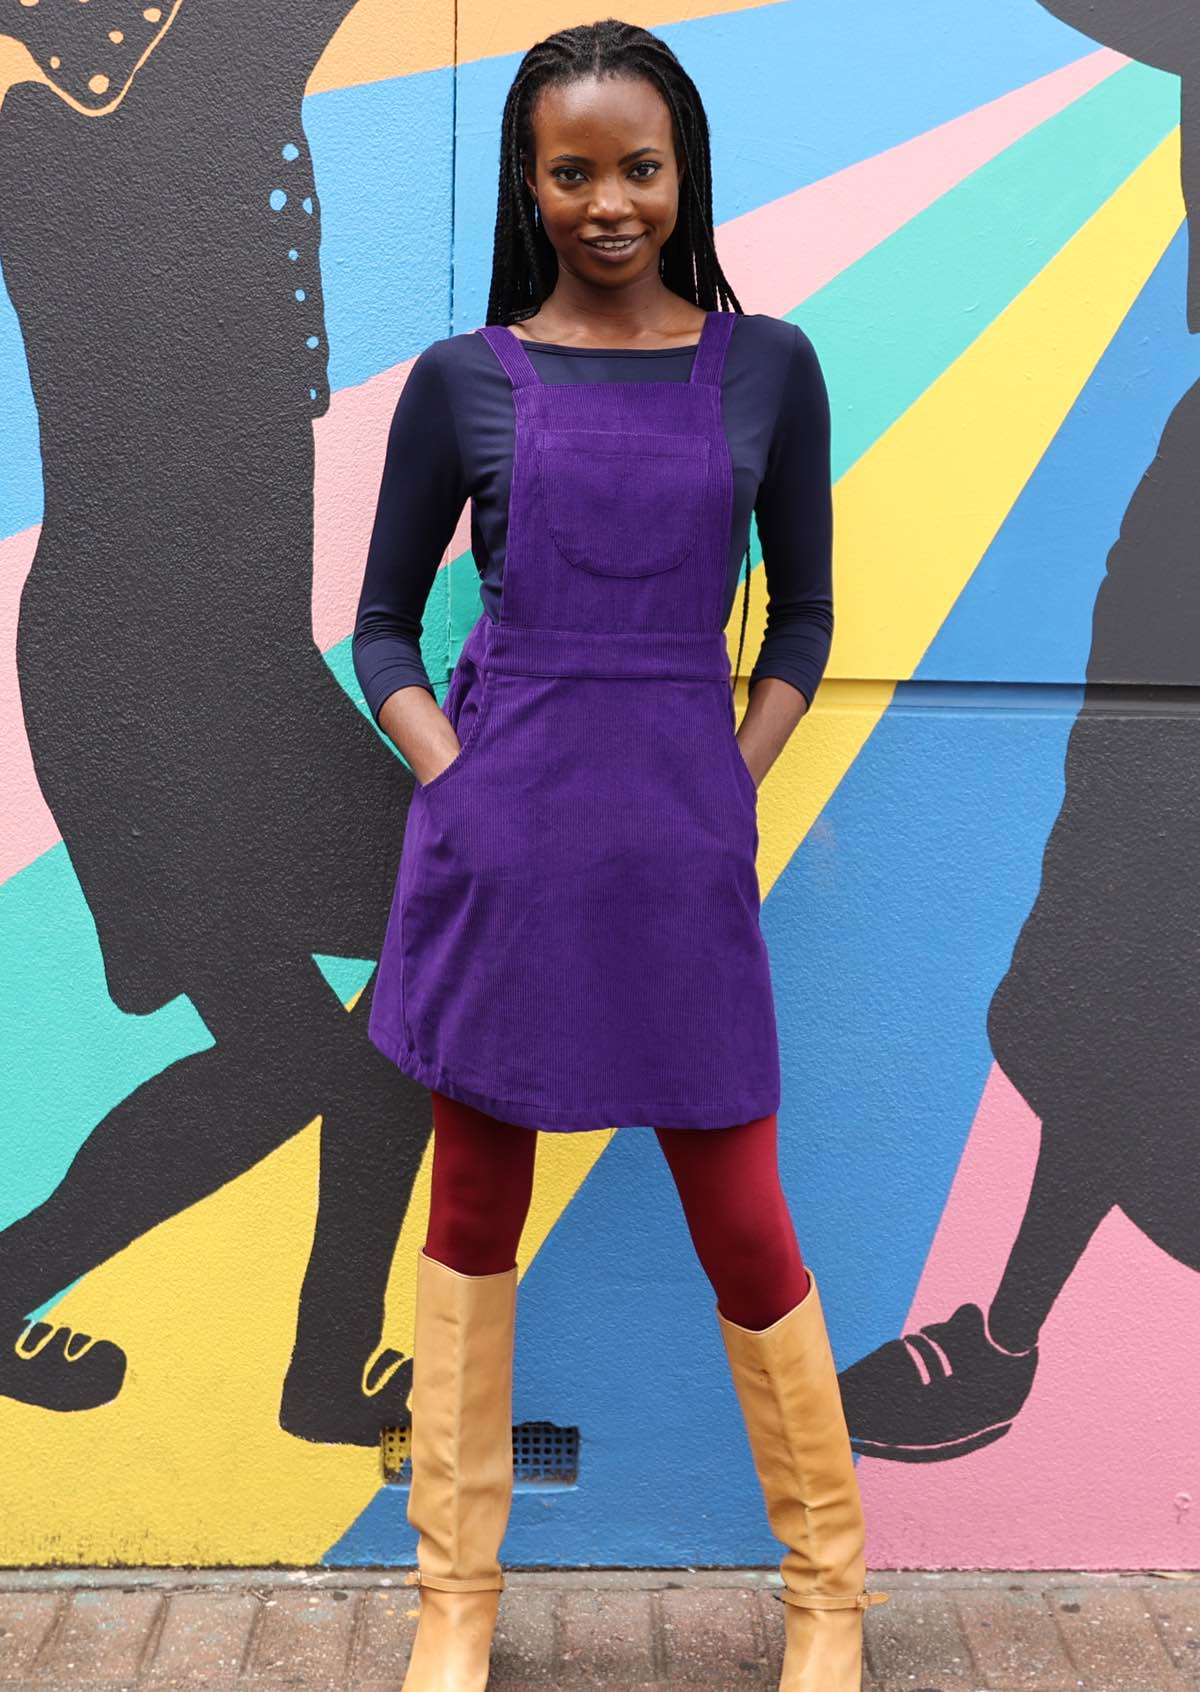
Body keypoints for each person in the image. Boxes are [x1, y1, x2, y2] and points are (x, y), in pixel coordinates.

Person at [352, 18, 889, 1690]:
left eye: (636, 168)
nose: (607, 203)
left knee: (746, 1222)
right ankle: (457, 1603)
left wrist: (730, 779)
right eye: (571, 171)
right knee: (471, 1217)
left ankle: (829, 1597)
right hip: (503, 864)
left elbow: (801, 614)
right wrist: (460, 787)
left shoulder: (769, 370)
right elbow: (377, 633)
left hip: (680, 859)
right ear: (530, 182)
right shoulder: (463, 379)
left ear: (683, 175)